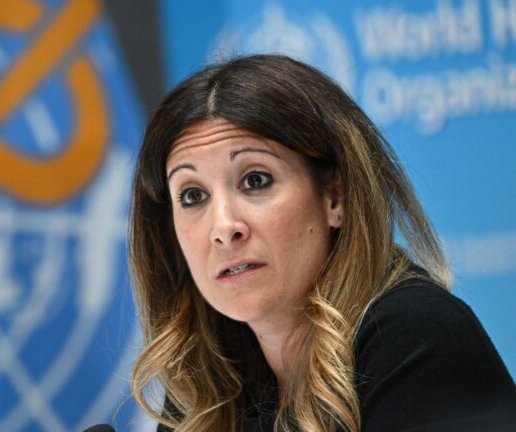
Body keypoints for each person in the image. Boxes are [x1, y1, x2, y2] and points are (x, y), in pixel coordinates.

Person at [128, 54, 516, 432]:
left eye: (256, 180)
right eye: (193, 196)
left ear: (335, 198)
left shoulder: (415, 335)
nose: (224, 227)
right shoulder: (207, 378)